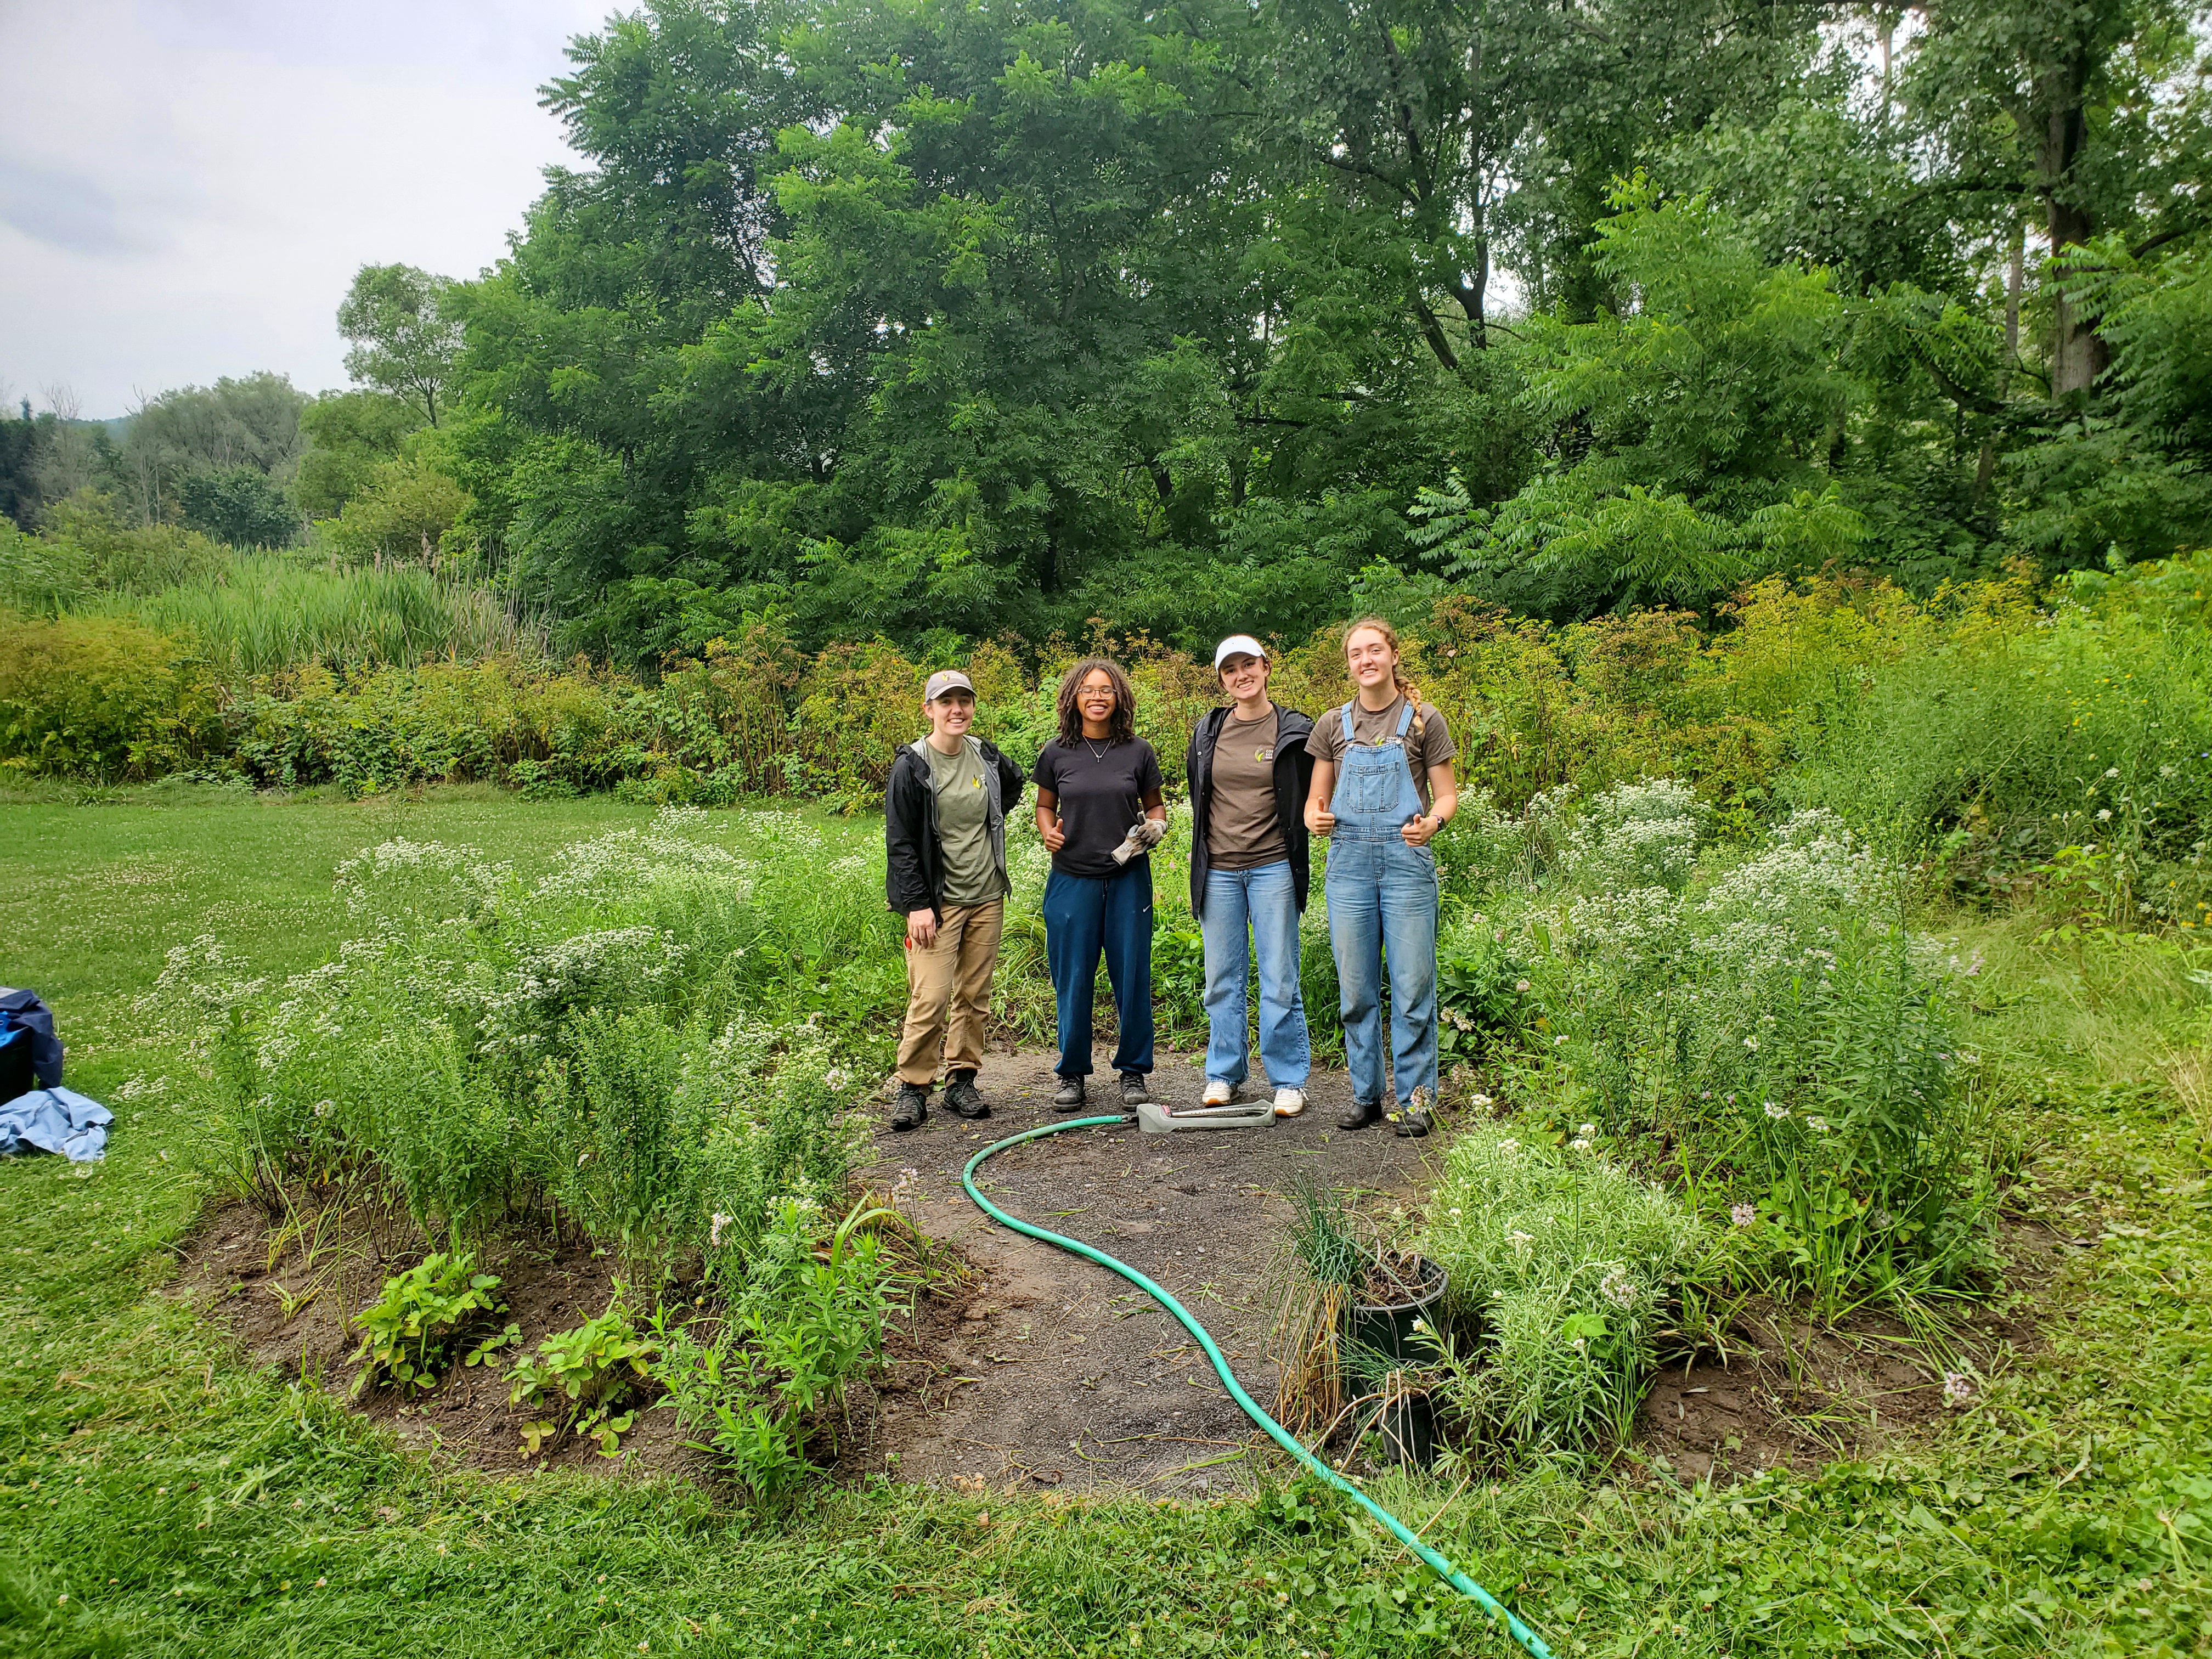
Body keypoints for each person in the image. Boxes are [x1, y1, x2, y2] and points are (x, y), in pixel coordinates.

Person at [1304, 617, 1459, 1136]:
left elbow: (1447, 795)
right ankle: (1365, 1096)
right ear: (1349, 664)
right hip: (1347, 867)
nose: (1366, 660)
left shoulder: (1422, 719)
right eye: (1356, 654)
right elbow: (1314, 804)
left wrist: (1433, 823)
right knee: (1356, 991)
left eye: (1375, 650)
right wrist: (1317, 820)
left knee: (1413, 987)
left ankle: (1417, 1101)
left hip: (1406, 866)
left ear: (1393, 655)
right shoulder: (1332, 725)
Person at [884, 668, 1027, 1131]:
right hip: (937, 904)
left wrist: (991, 825)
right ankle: (913, 1087)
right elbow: (901, 842)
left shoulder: (984, 755)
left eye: (964, 700)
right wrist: (916, 905)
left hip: (986, 895)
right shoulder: (913, 766)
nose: (957, 709)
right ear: (929, 710)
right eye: (946, 702)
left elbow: (1014, 784)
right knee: (931, 996)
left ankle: (961, 1081)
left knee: (973, 995)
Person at [1186, 634, 1316, 1118]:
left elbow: (1314, 791)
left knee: (1279, 976)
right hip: (1218, 870)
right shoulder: (1207, 732)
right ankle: (1224, 1074)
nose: (1241, 676)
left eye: (1249, 665)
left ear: (1266, 667)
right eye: (1230, 670)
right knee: (1222, 977)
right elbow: (1201, 796)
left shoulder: (1295, 730)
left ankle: (1288, 1080)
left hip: (1272, 867)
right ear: (1222, 679)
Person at [1032, 657, 1166, 1110]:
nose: (1097, 697)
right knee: (1072, 978)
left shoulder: (1138, 751)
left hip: (1128, 879)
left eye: (1106, 689)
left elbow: (1156, 809)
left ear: (1119, 697)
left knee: (1131, 976)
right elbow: (1044, 806)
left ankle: (1133, 1073)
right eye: (1088, 690)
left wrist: (1156, 829)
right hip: (1072, 880)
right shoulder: (1056, 752)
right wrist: (1047, 830)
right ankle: (1072, 1074)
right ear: (1074, 696)